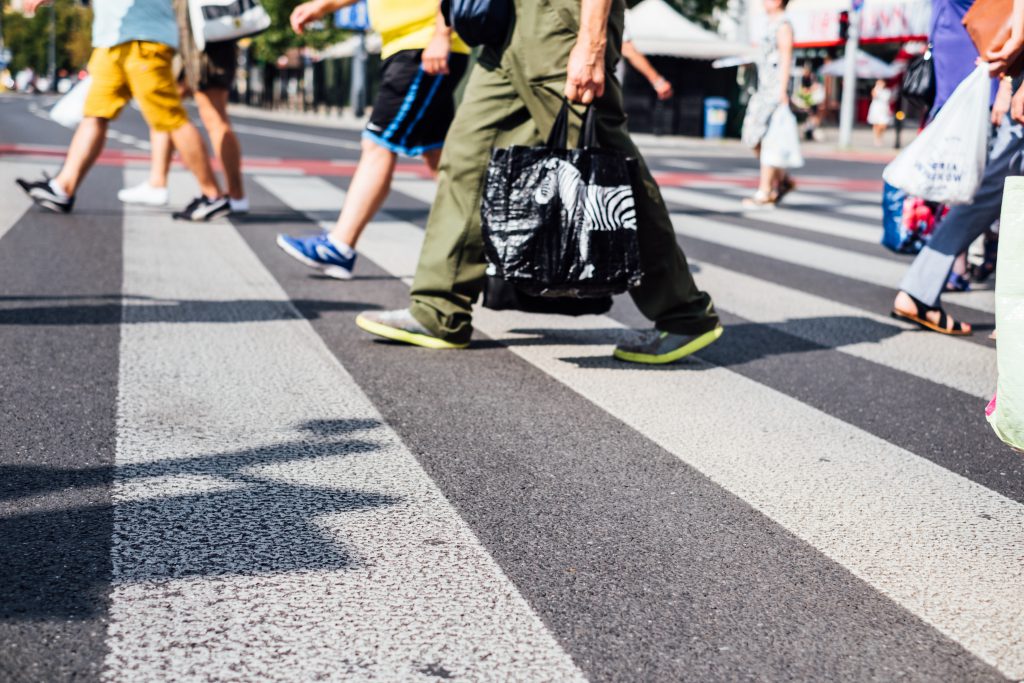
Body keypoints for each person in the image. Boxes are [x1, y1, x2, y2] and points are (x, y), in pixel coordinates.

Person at [354, 0, 722, 365]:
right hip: (502, 24)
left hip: (558, 22)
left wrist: (591, 42)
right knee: (467, 156)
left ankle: (683, 313)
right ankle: (438, 309)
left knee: (602, 171)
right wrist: (443, 27)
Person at [275, 0, 470, 280]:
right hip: (407, 45)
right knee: (439, 156)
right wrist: (323, 5)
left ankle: (340, 246)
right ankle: (489, 246)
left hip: (425, 45)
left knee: (377, 145)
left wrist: (442, 33)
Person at [15, 0, 230, 221]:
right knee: (95, 114)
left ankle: (212, 194)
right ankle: (63, 188)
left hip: (143, 39)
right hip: (112, 40)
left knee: (170, 118)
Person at [890, 0, 1024, 335]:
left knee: (993, 189)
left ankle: (920, 289)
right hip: (992, 75)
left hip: (983, 76)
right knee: (996, 186)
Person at [119, 0, 248, 213]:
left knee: (211, 114)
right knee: (165, 105)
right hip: (190, 27)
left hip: (201, 25)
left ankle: (233, 195)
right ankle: (158, 182)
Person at [740, 0, 796, 208]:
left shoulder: (783, 25)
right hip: (762, 90)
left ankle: (765, 190)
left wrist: (782, 91)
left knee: (767, 138)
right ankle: (782, 179)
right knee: (753, 136)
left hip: (773, 92)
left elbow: (786, 57)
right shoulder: (769, 23)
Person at [868, 79, 893, 147]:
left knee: (883, 125)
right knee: (876, 124)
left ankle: (879, 136)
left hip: (883, 109)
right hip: (876, 109)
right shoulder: (875, 90)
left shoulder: (887, 91)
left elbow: (888, 99)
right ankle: (877, 138)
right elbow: (874, 95)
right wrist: (877, 88)